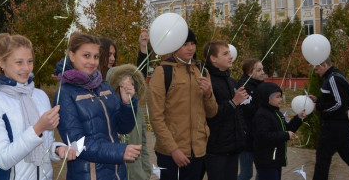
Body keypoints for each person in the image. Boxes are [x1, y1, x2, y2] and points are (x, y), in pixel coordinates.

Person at [0, 35, 75, 180]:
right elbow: (3, 160)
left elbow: (45, 145)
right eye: (19, 62)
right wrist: (38, 129)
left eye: (30, 61)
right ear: (2, 62)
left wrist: (58, 149)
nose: (26, 68)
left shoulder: (40, 96)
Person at [56, 33, 141, 180]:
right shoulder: (64, 93)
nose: (92, 61)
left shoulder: (103, 86)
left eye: (96, 57)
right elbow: (76, 143)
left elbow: (123, 128)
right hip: (89, 175)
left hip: (117, 173)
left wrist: (127, 104)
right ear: (72, 55)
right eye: (86, 55)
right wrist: (119, 152)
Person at [148, 29, 217, 179]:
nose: (190, 48)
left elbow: (212, 112)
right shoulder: (162, 72)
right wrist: (173, 150)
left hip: (199, 152)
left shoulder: (202, 71)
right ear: (175, 46)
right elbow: (156, 117)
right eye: (185, 44)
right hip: (170, 153)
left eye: (193, 44)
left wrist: (208, 95)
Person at [202, 41, 248, 180]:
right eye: (225, 53)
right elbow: (210, 114)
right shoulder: (207, 82)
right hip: (216, 149)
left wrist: (242, 133)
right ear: (213, 58)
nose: (231, 56)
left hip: (233, 148)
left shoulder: (231, 80)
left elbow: (237, 113)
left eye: (230, 52)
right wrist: (234, 102)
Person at [308, 58, 349, 180]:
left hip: (335, 126)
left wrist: (317, 107)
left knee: (322, 157)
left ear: (324, 65)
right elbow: (337, 100)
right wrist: (318, 100)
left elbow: (339, 103)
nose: (316, 71)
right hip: (342, 125)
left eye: (317, 68)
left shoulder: (333, 78)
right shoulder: (334, 76)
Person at [106, 64, 152, 180]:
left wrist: (146, 172)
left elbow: (143, 145)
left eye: (130, 84)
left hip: (138, 176)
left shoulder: (137, 112)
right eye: (123, 85)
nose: (127, 88)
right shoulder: (106, 113)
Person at [253, 82, 305, 180]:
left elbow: (287, 129)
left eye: (281, 96)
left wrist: (299, 118)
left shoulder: (277, 113)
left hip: (275, 159)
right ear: (267, 98)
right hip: (267, 160)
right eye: (277, 97)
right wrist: (285, 135)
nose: (281, 99)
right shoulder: (262, 114)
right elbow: (263, 135)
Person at [237, 59, 267, 180]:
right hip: (247, 138)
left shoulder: (260, 85)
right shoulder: (243, 87)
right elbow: (249, 111)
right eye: (259, 70)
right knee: (246, 173)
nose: (263, 72)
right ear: (250, 73)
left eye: (263, 69)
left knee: (263, 170)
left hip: (259, 136)